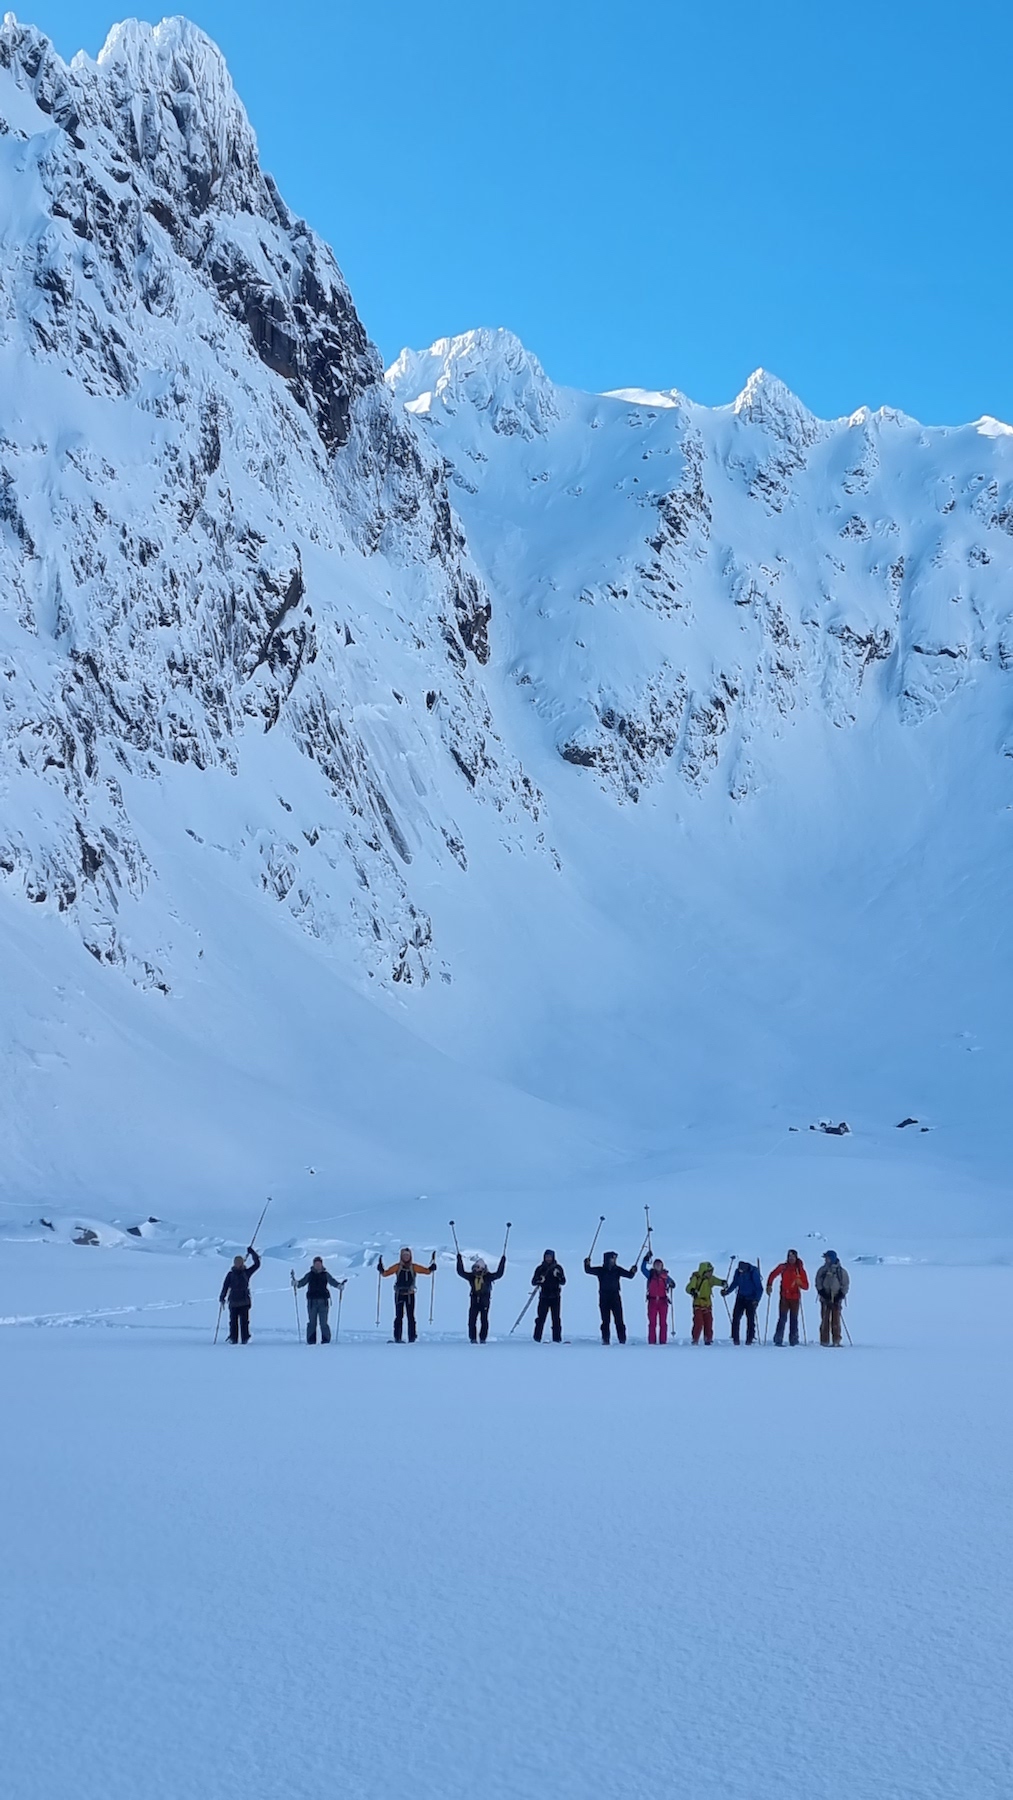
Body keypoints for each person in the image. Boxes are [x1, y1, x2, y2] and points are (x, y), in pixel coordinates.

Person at [378, 1246, 436, 1343]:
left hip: (410, 1294)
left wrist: (431, 1269)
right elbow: (386, 1274)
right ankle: (397, 1337)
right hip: (399, 1294)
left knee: (411, 1316)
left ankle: (412, 1337)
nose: (406, 1257)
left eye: (407, 1255)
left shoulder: (414, 1267)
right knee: (399, 1316)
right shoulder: (397, 1267)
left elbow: (426, 1271)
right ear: (401, 1256)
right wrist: (381, 1270)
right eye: (404, 1255)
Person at [584, 1250, 638, 1344]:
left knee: (619, 1320)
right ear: (607, 1259)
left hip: (615, 1296)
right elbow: (588, 1270)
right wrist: (586, 1263)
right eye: (612, 1258)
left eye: (615, 1259)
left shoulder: (618, 1270)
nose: (614, 1260)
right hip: (604, 1297)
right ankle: (605, 1340)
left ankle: (622, 1340)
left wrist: (633, 1271)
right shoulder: (601, 1270)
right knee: (605, 1320)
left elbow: (629, 1276)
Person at [456, 1251, 507, 1342]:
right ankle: (473, 1338)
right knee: (472, 1321)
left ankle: (483, 1339)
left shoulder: (488, 1277)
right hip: (474, 1301)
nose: (476, 1269)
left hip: (484, 1302)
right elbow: (461, 1272)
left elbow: (499, 1274)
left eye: (478, 1267)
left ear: (483, 1268)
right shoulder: (472, 1277)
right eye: (475, 1267)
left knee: (484, 1321)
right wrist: (459, 1259)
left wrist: (502, 1261)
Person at [294, 1256, 345, 1344]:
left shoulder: (326, 1274)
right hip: (312, 1302)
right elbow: (301, 1283)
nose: (318, 1265)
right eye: (316, 1264)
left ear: (322, 1264)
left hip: (323, 1302)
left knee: (323, 1323)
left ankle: (326, 1340)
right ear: (313, 1264)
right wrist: (296, 1283)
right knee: (312, 1323)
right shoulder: (309, 1275)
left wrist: (339, 1286)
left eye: (319, 1264)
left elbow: (332, 1282)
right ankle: (311, 1340)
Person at [218, 1247, 261, 1344]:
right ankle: (233, 1338)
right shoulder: (230, 1274)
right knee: (233, 1322)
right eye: (236, 1263)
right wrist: (222, 1296)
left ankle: (245, 1338)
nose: (237, 1264)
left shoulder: (246, 1273)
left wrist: (253, 1253)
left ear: (242, 1263)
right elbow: (225, 1286)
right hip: (233, 1301)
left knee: (244, 1322)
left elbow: (257, 1264)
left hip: (244, 1301)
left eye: (239, 1263)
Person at [766, 1249, 809, 1345]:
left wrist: (800, 1283)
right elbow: (772, 1274)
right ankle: (778, 1339)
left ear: (796, 1257)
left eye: (793, 1256)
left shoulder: (800, 1270)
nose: (791, 1258)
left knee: (793, 1319)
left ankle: (793, 1340)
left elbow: (806, 1286)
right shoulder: (783, 1267)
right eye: (789, 1256)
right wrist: (769, 1285)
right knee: (782, 1318)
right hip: (784, 1297)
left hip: (795, 1298)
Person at [722, 1260, 763, 1345]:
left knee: (750, 1319)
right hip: (740, 1297)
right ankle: (735, 1339)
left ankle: (750, 1339)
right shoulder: (737, 1272)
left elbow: (759, 1288)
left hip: (751, 1299)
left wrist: (756, 1300)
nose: (740, 1272)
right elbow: (735, 1283)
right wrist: (727, 1292)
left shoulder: (753, 1272)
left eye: (742, 1271)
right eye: (739, 1270)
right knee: (736, 1317)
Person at [815, 1250, 850, 1346]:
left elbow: (845, 1285)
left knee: (836, 1320)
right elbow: (818, 1282)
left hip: (836, 1299)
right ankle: (824, 1341)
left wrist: (840, 1296)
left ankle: (836, 1340)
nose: (826, 1260)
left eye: (827, 1258)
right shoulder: (822, 1270)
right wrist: (822, 1293)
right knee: (825, 1320)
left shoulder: (841, 1272)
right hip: (825, 1298)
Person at [531, 1250, 566, 1343]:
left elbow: (563, 1281)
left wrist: (558, 1276)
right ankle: (537, 1338)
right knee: (540, 1318)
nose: (548, 1259)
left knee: (556, 1319)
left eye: (550, 1257)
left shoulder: (558, 1268)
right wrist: (539, 1280)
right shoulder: (540, 1269)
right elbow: (533, 1282)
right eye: (547, 1257)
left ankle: (557, 1339)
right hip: (544, 1297)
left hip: (555, 1297)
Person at [686, 1260, 723, 1344]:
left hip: (707, 1304)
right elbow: (688, 1288)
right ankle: (695, 1339)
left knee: (709, 1322)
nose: (710, 1273)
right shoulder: (696, 1278)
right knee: (698, 1322)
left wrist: (723, 1283)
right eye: (709, 1272)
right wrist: (692, 1291)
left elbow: (718, 1281)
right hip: (698, 1303)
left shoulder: (711, 1279)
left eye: (711, 1271)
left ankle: (708, 1339)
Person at [641, 1253, 675, 1344]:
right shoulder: (650, 1274)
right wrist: (645, 1260)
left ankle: (663, 1341)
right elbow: (643, 1269)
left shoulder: (665, 1276)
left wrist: (672, 1284)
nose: (658, 1266)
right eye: (656, 1265)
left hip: (663, 1301)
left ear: (662, 1266)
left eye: (659, 1265)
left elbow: (672, 1283)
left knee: (663, 1323)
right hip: (652, 1301)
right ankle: (652, 1341)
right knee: (652, 1323)